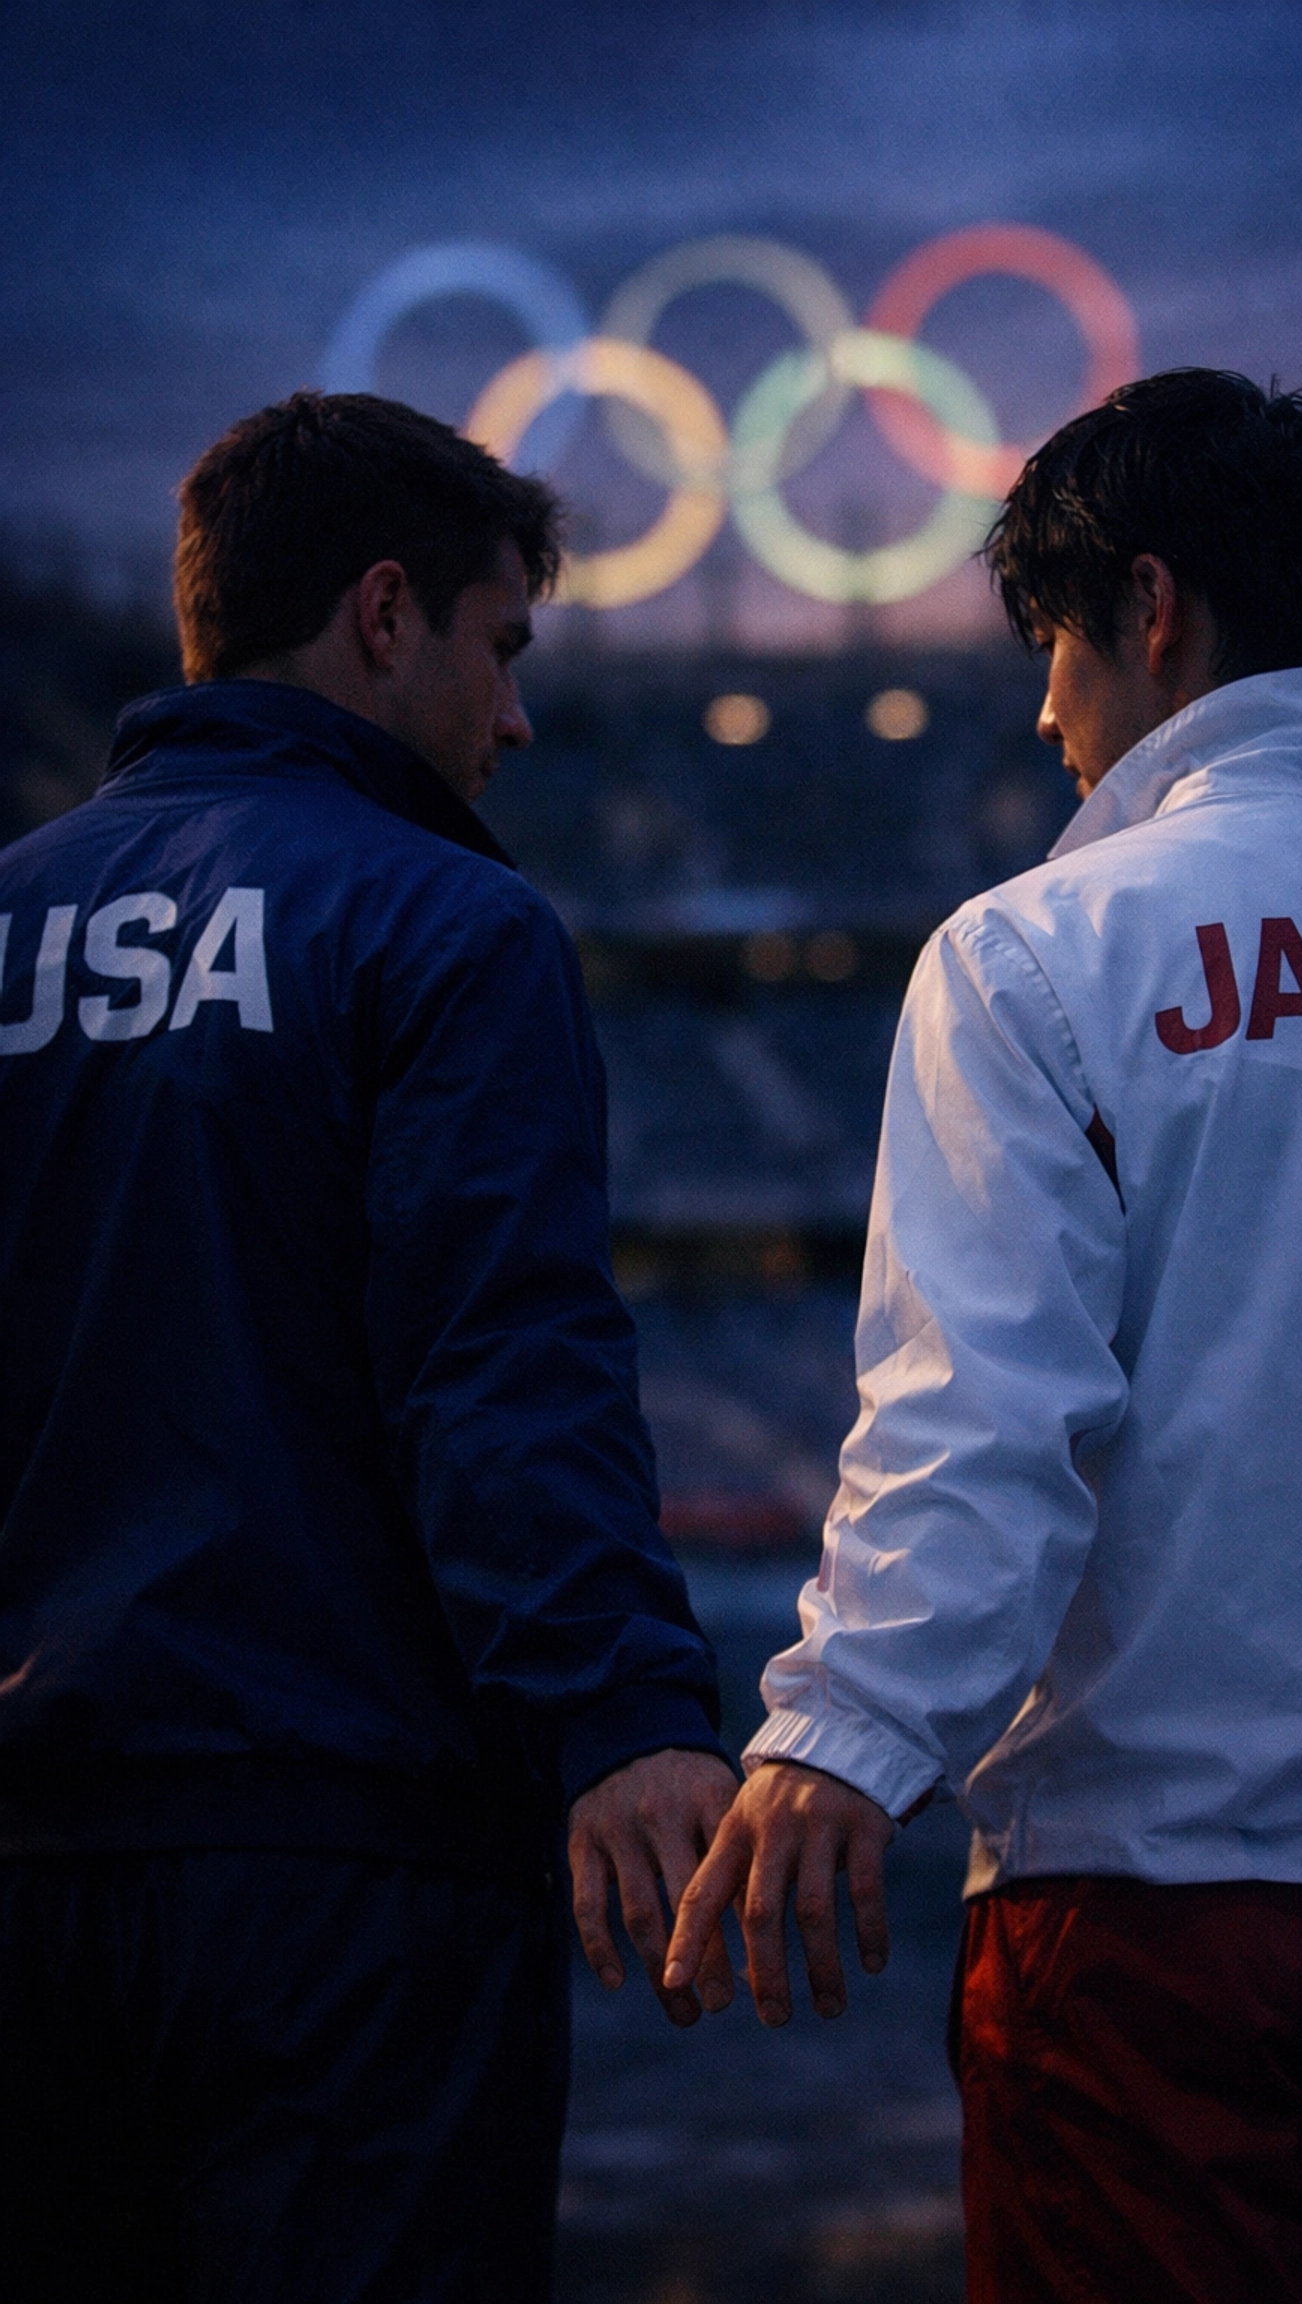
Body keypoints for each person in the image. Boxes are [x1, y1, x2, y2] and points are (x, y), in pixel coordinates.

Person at [668, 369, 1302, 2300]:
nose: (1049, 716)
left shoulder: (1041, 950)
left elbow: (985, 1420)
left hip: (1164, 1901)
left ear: (1153, 612)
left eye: (1052, 649)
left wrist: (842, 1732)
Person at [0, 389, 738, 2304]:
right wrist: (624, 1713)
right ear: (384, 614)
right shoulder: (443, 920)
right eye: (501, 650)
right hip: (347, 1874)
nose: (514, 719)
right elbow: (499, 1359)